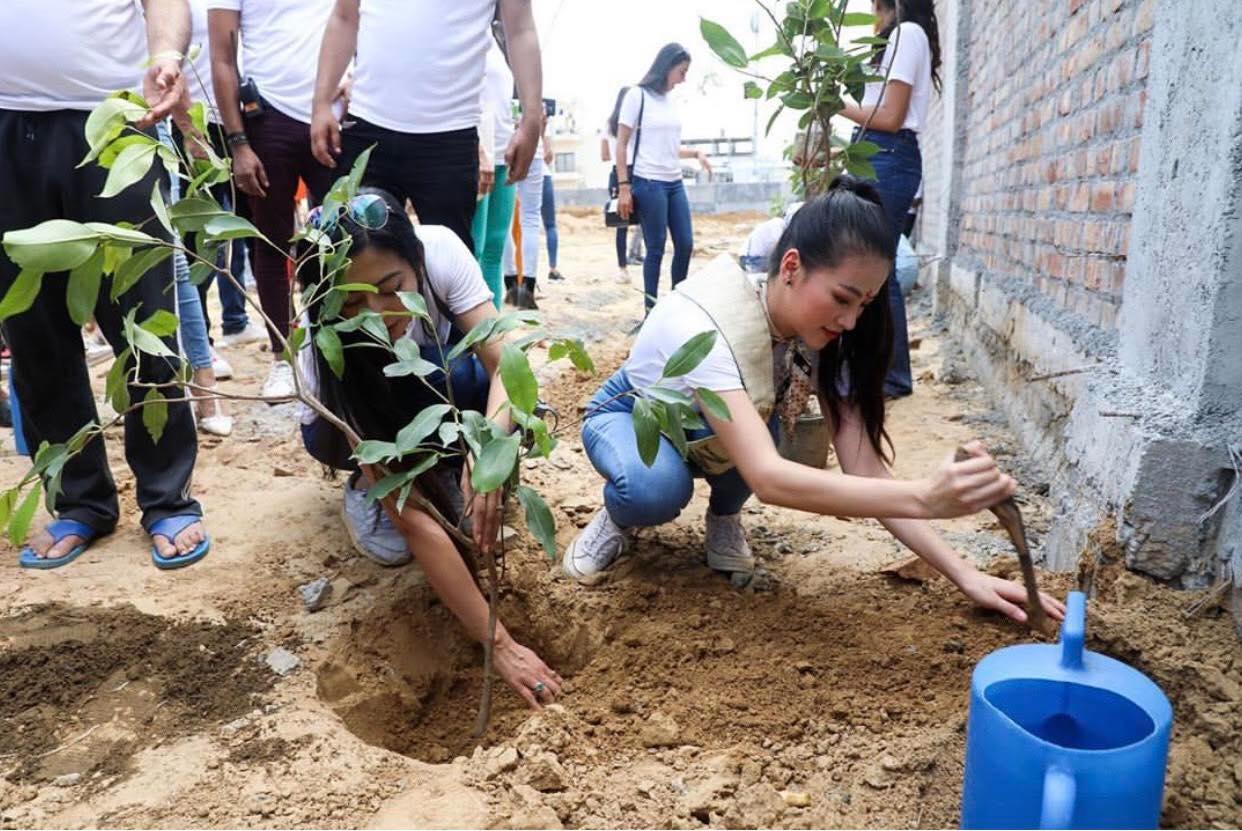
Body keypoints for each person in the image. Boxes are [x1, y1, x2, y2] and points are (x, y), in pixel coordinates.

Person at [563, 177, 1065, 627]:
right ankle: (618, 518)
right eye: (843, 298)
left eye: (864, 304)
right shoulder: (708, 330)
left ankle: (723, 517)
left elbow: (864, 469)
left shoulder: (816, 337)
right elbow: (769, 479)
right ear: (791, 267)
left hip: (716, 432)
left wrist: (965, 574)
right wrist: (925, 497)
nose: (850, 320)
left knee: (775, 435)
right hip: (634, 417)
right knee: (655, 488)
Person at [297, 188, 561, 707]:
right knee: (405, 530)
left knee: (465, 373)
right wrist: (499, 645)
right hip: (350, 424)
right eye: (352, 302)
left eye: (391, 288)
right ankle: (367, 482)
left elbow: (507, 364)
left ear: (415, 260)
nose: (376, 313)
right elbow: (414, 524)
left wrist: (488, 457)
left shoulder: (438, 249)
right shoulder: (327, 339)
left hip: (430, 390)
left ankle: (448, 466)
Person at [0, 0, 209, 569]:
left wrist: (166, 53)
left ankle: (167, 497)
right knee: (34, 330)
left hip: (115, 122)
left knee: (143, 319)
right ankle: (79, 501)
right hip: (5, 125)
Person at [311, 0, 543, 252]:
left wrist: (531, 118)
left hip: (449, 137)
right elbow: (345, 18)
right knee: (352, 261)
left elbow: (520, 29)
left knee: (450, 269)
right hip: (368, 129)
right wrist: (321, 103)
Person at [208, 0, 339, 400]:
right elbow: (222, 58)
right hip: (268, 116)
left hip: (333, 112)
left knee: (342, 237)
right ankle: (284, 360)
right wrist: (238, 143)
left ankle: (338, 354)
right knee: (270, 243)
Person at [838, 0, 941, 399]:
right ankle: (878, 373)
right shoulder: (890, 38)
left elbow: (891, 117)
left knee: (878, 271)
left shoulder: (907, 34)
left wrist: (837, 105)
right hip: (876, 154)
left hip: (889, 156)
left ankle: (891, 377)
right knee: (872, 267)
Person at [185, 0, 265, 357]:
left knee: (248, 229)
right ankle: (203, 342)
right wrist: (187, 127)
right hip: (196, 124)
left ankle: (237, 320)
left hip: (247, 119)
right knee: (201, 237)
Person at [614, 43, 713, 312]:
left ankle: (675, 308)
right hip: (649, 183)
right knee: (655, 249)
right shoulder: (637, 96)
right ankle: (651, 311)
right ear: (667, 67)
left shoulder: (670, 101)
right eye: (681, 72)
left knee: (685, 243)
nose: (683, 78)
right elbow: (621, 144)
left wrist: (696, 153)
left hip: (674, 182)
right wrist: (624, 187)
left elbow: (668, 147)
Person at [471, 20, 519, 308]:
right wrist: (477, 151)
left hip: (504, 150)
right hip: (478, 152)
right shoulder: (466, 31)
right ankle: (468, 336)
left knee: (495, 248)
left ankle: (493, 333)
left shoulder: (500, 36)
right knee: (473, 248)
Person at [601, 86, 639, 284]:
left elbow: (604, 155)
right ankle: (644, 258)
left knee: (621, 224)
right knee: (646, 220)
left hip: (617, 173)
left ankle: (622, 269)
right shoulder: (636, 121)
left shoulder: (610, 124)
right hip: (638, 170)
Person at [541, 140, 564, 283]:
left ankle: (524, 276)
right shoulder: (541, 119)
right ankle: (553, 269)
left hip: (518, 172)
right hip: (542, 174)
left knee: (523, 228)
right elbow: (548, 155)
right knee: (550, 225)